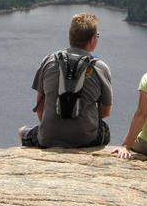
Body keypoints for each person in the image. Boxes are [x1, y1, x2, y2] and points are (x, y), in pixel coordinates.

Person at [18, 13, 113, 148]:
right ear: (92, 40)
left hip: (48, 138)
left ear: (70, 37)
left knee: (22, 131)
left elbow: (40, 108)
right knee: (104, 128)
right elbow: (105, 112)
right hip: (86, 139)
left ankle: (25, 135)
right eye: (97, 36)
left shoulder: (48, 61)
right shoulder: (100, 68)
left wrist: (55, 129)